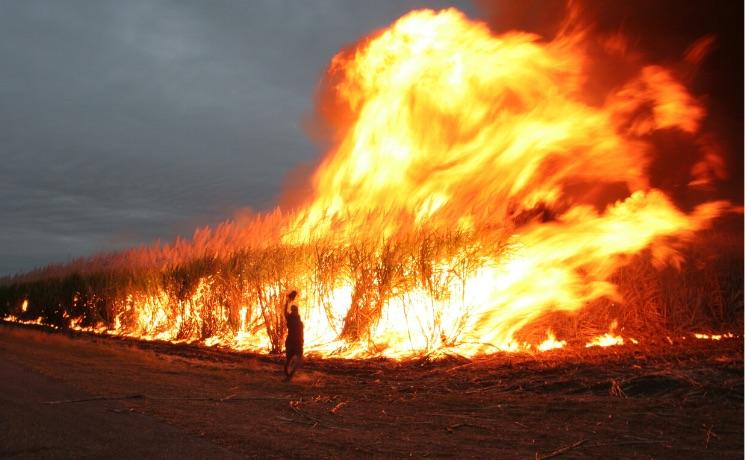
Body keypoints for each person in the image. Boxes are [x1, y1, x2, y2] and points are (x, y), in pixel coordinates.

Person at [283, 290, 304, 380]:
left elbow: (285, 312)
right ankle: (290, 375)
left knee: (289, 359)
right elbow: (301, 332)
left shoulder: (291, 319)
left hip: (292, 341)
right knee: (297, 358)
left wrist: (287, 301)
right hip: (296, 341)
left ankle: (288, 374)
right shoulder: (298, 321)